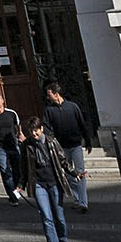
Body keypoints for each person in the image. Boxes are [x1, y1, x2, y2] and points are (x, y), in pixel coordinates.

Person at [19, 116, 76, 242]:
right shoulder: (26, 145)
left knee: (59, 216)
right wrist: (21, 184)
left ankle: (63, 239)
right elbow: (24, 166)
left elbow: (63, 161)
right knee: (46, 217)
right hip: (39, 184)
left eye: (36, 130)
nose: (34, 133)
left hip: (54, 182)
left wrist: (74, 173)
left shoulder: (51, 142)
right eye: (31, 131)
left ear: (42, 129)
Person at [41, 83, 93, 212]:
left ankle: (83, 202)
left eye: (49, 95)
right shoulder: (49, 110)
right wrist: (49, 142)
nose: (48, 98)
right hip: (61, 147)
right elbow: (46, 128)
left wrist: (88, 140)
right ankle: (77, 199)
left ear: (55, 93)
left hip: (76, 144)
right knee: (69, 174)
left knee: (80, 171)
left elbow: (81, 123)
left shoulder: (72, 107)